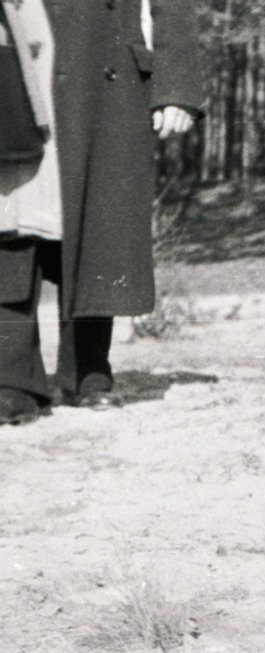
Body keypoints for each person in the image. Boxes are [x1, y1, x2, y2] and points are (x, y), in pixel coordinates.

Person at [0, 0, 203, 426]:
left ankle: (89, 373)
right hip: (14, 62)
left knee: (99, 226)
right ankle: (12, 382)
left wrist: (176, 88)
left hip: (103, 80)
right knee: (10, 225)